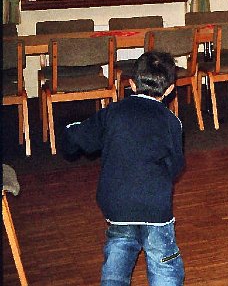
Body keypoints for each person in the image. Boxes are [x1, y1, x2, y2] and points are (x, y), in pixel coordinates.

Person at [62, 51, 186, 285]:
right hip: (155, 207)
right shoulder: (172, 122)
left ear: (131, 84)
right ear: (170, 89)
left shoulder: (112, 113)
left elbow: (78, 137)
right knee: (164, 265)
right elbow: (176, 166)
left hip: (117, 205)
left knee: (117, 260)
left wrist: (68, 134)